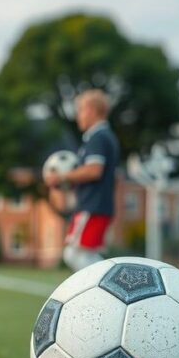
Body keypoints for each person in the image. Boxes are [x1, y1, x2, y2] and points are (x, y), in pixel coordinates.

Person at [44, 89, 119, 272]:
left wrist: (61, 177)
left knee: (73, 253)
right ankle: (110, 285)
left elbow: (94, 170)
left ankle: (108, 290)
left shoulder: (98, 137)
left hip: (92, 206)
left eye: (80, 110)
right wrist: (69, 181)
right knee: (86, 254)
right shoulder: (102, 137)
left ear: (92, 110)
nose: (78, 116)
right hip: (97, 205)